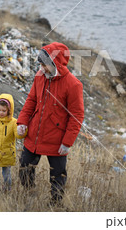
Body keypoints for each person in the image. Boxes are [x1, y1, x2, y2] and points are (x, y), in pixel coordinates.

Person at [16, 42, 84, 204]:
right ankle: (29, 194)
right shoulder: (40, 76)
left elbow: (77, 115)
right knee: (25, 168)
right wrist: (22, 122)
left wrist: (67, 142)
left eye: (44, 65)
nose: (41, 68)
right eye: (40, 64)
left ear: (56, 64)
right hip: (34, 135)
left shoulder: (73, 85)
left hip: (57, 139)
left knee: (57, 175)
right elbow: (31, 100)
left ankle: (55, 204)